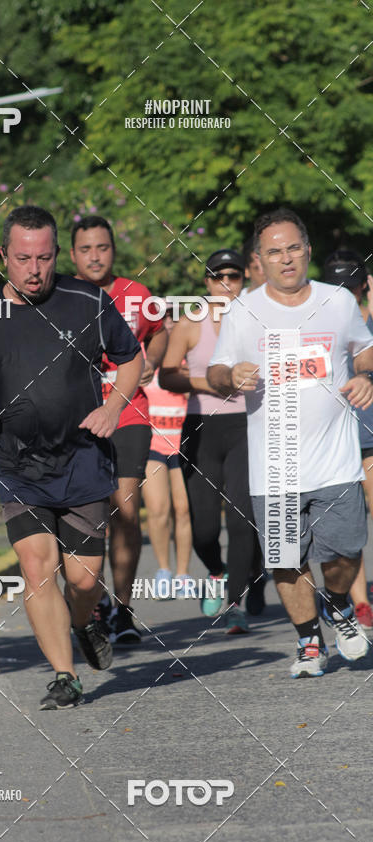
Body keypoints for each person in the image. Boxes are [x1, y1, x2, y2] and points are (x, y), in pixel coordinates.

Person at [0, 205, 144, 708]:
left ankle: (84, 619)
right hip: (19, 465)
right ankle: (64, 676)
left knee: (82, 580)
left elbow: (130, 359)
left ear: (56, 254)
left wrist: (114, 408)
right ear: (4, 257)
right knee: (37, 566)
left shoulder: (87, 301)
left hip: (82, 461)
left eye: (45, 258)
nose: (34, 269)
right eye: (22, 258)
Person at [208, 208, 373, 677]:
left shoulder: (338, 302)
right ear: (259, 259)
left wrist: (366, 376)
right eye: (274, 251)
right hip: (275, 466)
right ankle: (307, 642)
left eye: (293, 248)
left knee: (344, 553)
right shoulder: (243, 311)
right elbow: (216, 370)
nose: (286, 259)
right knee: (285, 560)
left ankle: (338, 604)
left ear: (307, 250)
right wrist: (229, 376)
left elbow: (364, 347)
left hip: (336, 460)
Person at [70, 215, 168, 642]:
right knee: (88, 518)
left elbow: (160, 331)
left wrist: (153, 361)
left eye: (103, 248)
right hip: (77, 418)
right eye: (86, 249)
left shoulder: (137, 294)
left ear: (113, 250)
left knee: (126, 511)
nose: (95, 256)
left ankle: (123, 610)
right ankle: (93, 603)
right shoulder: (61, 296)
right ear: (72, 254)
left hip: (128, 410)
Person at [160, 250, 259, 634]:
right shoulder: (190, 324)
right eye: (218, 276)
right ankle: (217, 572)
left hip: (247, 427)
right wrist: (213, 382)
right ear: (207, 282)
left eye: (234, 276)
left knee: (240, 518)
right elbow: (168, 377)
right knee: (202, 528)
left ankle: (236, 603)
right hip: (201, 427)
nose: (226, 284)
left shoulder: (255, 321)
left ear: (243, 280)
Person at [323, 249, 373, 629]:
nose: (348, 295)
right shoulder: (321, 320)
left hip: (369, 435)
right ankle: (358, 601)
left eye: (354, 288)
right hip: (332, 438)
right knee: (348, 523)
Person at [141, 307, 192, 595]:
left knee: (183, 510)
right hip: (153, 446)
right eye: (164, 321)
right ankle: (163, 570)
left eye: (173, 320)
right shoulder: (146, 363)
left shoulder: (187, 362)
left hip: (182, 445)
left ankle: (183, 574)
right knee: (159, 510)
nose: (169, 326)